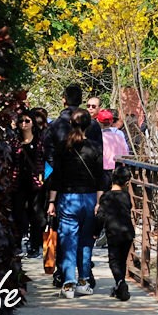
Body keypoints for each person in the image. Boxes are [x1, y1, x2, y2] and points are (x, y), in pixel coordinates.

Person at [46, 109, 103, 298]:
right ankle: (84, 280)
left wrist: (52, 201)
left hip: (67, 198)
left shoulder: (64, 147)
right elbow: (101, 178)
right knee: (86, 241)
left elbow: (56, 177)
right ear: (89, 125)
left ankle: (68, 282)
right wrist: (99, 202)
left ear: (71, 124)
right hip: (88, 198)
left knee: (68, 239)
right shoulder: (95, 148)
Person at [95, 165, 135, 302]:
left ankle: (120, 283)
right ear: (126, 182)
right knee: (122, 260)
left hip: (113, 232)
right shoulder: (126, 196)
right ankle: (120, 285)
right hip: (128, 232)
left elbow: (101, 216)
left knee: (114, 260)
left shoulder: (106, 197)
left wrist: (95, 232)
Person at [9, 109, 45, 258]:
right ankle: (17, 244)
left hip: (36, 184)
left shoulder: (39, 141)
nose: (24, 124)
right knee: (18, 214)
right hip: (18, 182)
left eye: (27, 121)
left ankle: (34, 246)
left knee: (36, 215)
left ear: (32, 123)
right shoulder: (14, 141)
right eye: (21, 121)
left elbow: (46, 160)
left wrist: (44, 176)